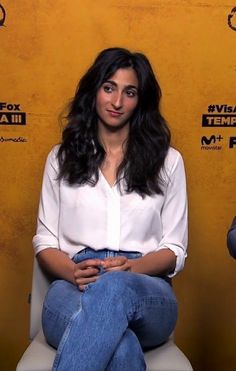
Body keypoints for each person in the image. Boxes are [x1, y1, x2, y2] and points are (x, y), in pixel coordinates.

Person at [33, 47, 188, 371]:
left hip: (146, 286)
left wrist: (133, 270)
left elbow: (174, 248)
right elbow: (45, 242)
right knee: (121, 348)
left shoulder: (169, 162)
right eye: (109, 88)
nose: (117, 102)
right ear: (94, 92)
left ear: (140, 100)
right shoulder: (60, 159)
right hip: (74, 281)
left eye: (129, 92)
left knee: (115, 288)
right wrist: (72, 272)